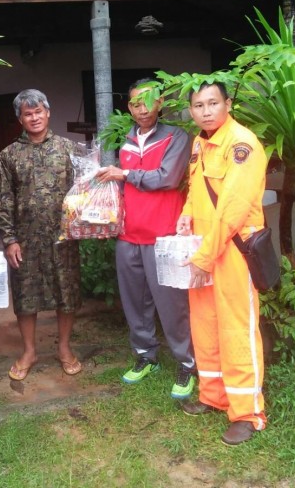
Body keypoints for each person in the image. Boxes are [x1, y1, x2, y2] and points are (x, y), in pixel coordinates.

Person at [176, 81, 268, 446]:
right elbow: (196, 189)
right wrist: (186, 214)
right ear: (192, 111)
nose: (206, 111)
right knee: (205, 324)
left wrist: (204, 257)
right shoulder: (200, 143)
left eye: (213, 103)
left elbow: (232, 209)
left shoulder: (242, 144)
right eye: (199, 106)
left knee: (236, 329)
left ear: (228, 104)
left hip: (232, 250)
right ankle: (213, 396)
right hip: (204, 248)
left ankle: (247, 413)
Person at [96, 79, 196, 398]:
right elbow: (120, 186)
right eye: (136, 104)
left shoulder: (176, 137)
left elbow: (168, 178)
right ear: (129, 108)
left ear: (160, 102)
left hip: (163, 235)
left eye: (149, 101)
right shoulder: (126, 142)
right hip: (129, 235)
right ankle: (145, 356)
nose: (143, 109)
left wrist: (124, 174)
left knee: (172, 304)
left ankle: (187, 362)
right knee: (134, 302)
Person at [0, 89, 83, 381]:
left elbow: (82, 192)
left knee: (66, 292)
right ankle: (29, 351)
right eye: (27, 114)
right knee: (25, 295)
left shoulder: (68, 149)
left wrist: (81, 225)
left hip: (63, 237)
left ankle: (64, 348)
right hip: (25, 239)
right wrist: (9, 239)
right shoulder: (9, 154)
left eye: (38, 111)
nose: (34, 118)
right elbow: (4, 200)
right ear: (20, 119)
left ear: (48, 113)